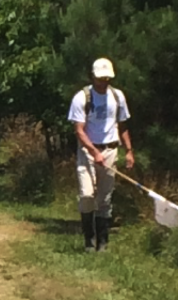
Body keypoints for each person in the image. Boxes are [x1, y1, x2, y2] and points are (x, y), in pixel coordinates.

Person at [67, 57, 135, 252]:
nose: (104, 82)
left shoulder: (117, 96)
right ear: (93, 77)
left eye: (107, 78)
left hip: (111, 149)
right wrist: (94, 152)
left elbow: (122, 125)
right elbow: (79, 130)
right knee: (87, 195)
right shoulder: (82, 98)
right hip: (88, 151)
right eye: (100, 78)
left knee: (104, 199)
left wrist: (128, 150)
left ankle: (102, 243)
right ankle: (89, 240)